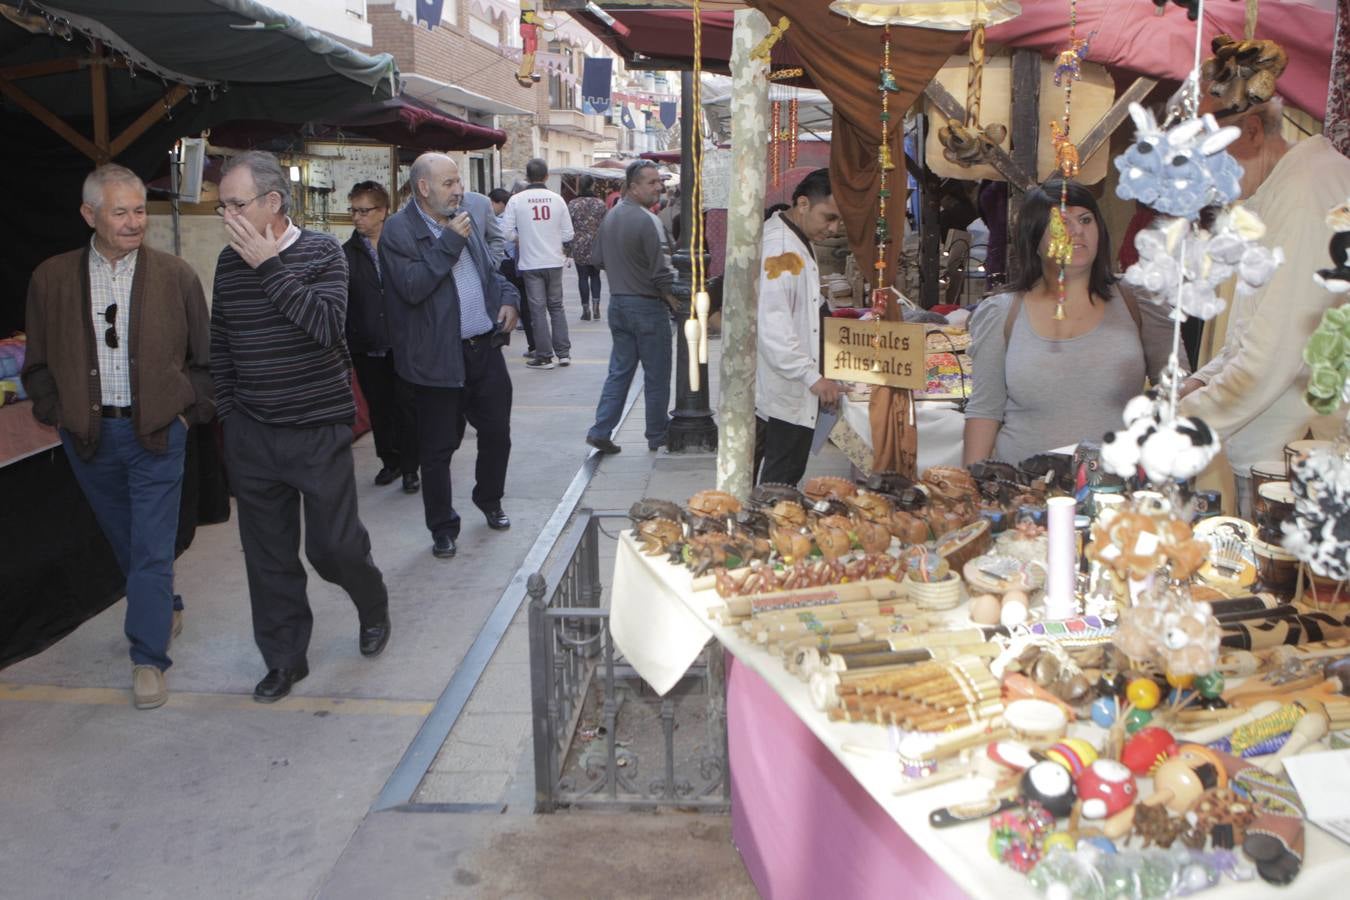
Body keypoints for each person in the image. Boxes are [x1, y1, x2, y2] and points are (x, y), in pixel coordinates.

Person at [22, 165, 212, 709]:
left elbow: (205, 361)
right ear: (89, 215)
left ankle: (148, 658)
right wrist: (59, 411)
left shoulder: (176, 276)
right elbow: (36, 363)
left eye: (139, 210)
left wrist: (186, 413)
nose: (134, 222)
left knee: (151, 548)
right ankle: (165, 606)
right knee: (127, 541)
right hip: (89, 439)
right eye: (120, 211)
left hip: (157, 434)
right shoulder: (51, 279)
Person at [211, 150, 391, 703]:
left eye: (235, 204)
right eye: (221, 206)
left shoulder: (320, 255)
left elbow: (324, 326)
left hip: (316, 429)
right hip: (253, 434)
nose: (227, 216)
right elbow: (221, 343)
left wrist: (269, 265)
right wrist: (229, 414)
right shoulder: (225, 262)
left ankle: (371, 601)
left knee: (333, 548)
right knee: (268, 558)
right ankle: (286, 658)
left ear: (272, 203)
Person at [1179, 96, 1350, 516]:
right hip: (1277, 455)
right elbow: (1255, 328)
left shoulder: (1310, 191)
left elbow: (1276, 354)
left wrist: (1182, 423)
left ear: (1252, 131)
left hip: (1305, 463)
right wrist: (1201, 382)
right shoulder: (1280, 188)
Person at [963, 179, 1175, 466]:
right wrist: (972, 491)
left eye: (1086, 220)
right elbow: (984, 411)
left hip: (1114, 490)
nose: (1077, 231)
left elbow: (1179, 390)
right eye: (1062, 223)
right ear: (1034, 240)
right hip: (1021, 491)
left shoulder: (1139, 300)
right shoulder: (1002, 312)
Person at [379, 153, 520, 560]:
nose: (459, 190)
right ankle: (442, 526)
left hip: (483, 350)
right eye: (449, 183)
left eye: (458, 182)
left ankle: (489, 499)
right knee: (438, 450)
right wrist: (450, 242)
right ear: (423, 188)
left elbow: (490, 273)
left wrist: (510, 300)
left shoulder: (464, 220)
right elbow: (412, 286)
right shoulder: (398, 231)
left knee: (497, 433)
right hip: (436, 361)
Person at [752, 168, 845, 486]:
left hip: (786, 385)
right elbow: (772, 325)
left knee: (776, 477)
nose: (833, 229)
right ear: (803, 204)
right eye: (828, 217)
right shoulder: (781, 249)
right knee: (779, 482)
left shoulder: (795, 238)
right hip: (786, 388)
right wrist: (812, 378)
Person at [585, 159, 676, 454]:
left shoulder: (611, 217)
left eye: (658, 182)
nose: (658, 187)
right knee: (657, 373)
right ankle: (657, 433)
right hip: (647, 305)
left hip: (619, 303)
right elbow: (663, 272)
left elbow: (596, 259)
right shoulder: (648, 221)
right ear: (633, 187)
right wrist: (674, 301)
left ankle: (601, 429)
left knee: (620, 370)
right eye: (651, 183)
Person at [343, 180, 419, 494]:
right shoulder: (345, 254)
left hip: (403, 342)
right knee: (379, 407)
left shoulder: (403, 244)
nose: (358, 217)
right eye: (354, 211)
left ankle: (412, 466)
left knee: (408, 406)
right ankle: (390, 461)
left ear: (383, 211)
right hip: (367, 344)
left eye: (365, 211)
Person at [502, 158, 573, 369]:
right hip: (553, 261)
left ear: (527, 176)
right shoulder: (557, 199)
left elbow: (506, 232)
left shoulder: (516, 200)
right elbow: (568, 233)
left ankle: (544, 356)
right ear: (546, 176)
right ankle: (564, 353)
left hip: (531, 263)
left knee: (537, 310)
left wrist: (520, 238)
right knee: (557, 307)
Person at [490, 186, 534, 358]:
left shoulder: (498, 221)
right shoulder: (519, 217)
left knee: (506, 304)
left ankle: (500, 339)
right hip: (522, 264)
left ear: (500, 203)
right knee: (526, 307)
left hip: (507, 266)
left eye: (491, 203)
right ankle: (534, 344)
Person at [568, 175, 607, 321]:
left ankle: (586, 310)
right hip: (597, 243)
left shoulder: (572, 204)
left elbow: (568, 224)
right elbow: (606, 224)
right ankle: (596, 307)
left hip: (579, 243)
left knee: (582, 277)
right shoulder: (600, 204)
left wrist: (567, 246)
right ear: (592, 186)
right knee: (595, 276)